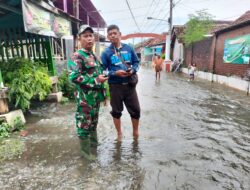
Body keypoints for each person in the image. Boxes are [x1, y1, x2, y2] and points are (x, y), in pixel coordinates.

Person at [68, 25, 108, 160]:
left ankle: (93, 146)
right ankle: (85, 153)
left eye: (91, 36)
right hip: (85, 99)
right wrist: (96, 80)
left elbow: (100, 74)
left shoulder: (94, 55)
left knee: (93, 123)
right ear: (79, 39)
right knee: (84, 124)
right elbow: (74, 77)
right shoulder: (77, 56)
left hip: (95, 98)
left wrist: (105, 94)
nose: (89, 39)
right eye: (85, 36)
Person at [101, 24, 140, 140]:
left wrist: (132, 70)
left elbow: (137, 63)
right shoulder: (106, 53)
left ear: (120, 34)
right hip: (115, 86)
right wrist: (114, 73)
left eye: (115, 33)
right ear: (108, 37)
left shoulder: (129, 48)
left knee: (136, 110)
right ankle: (119, 133)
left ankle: (135, 133)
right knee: (116, 112)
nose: (112, 36)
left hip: (129, 85)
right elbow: (102, 70)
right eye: (110, 34)